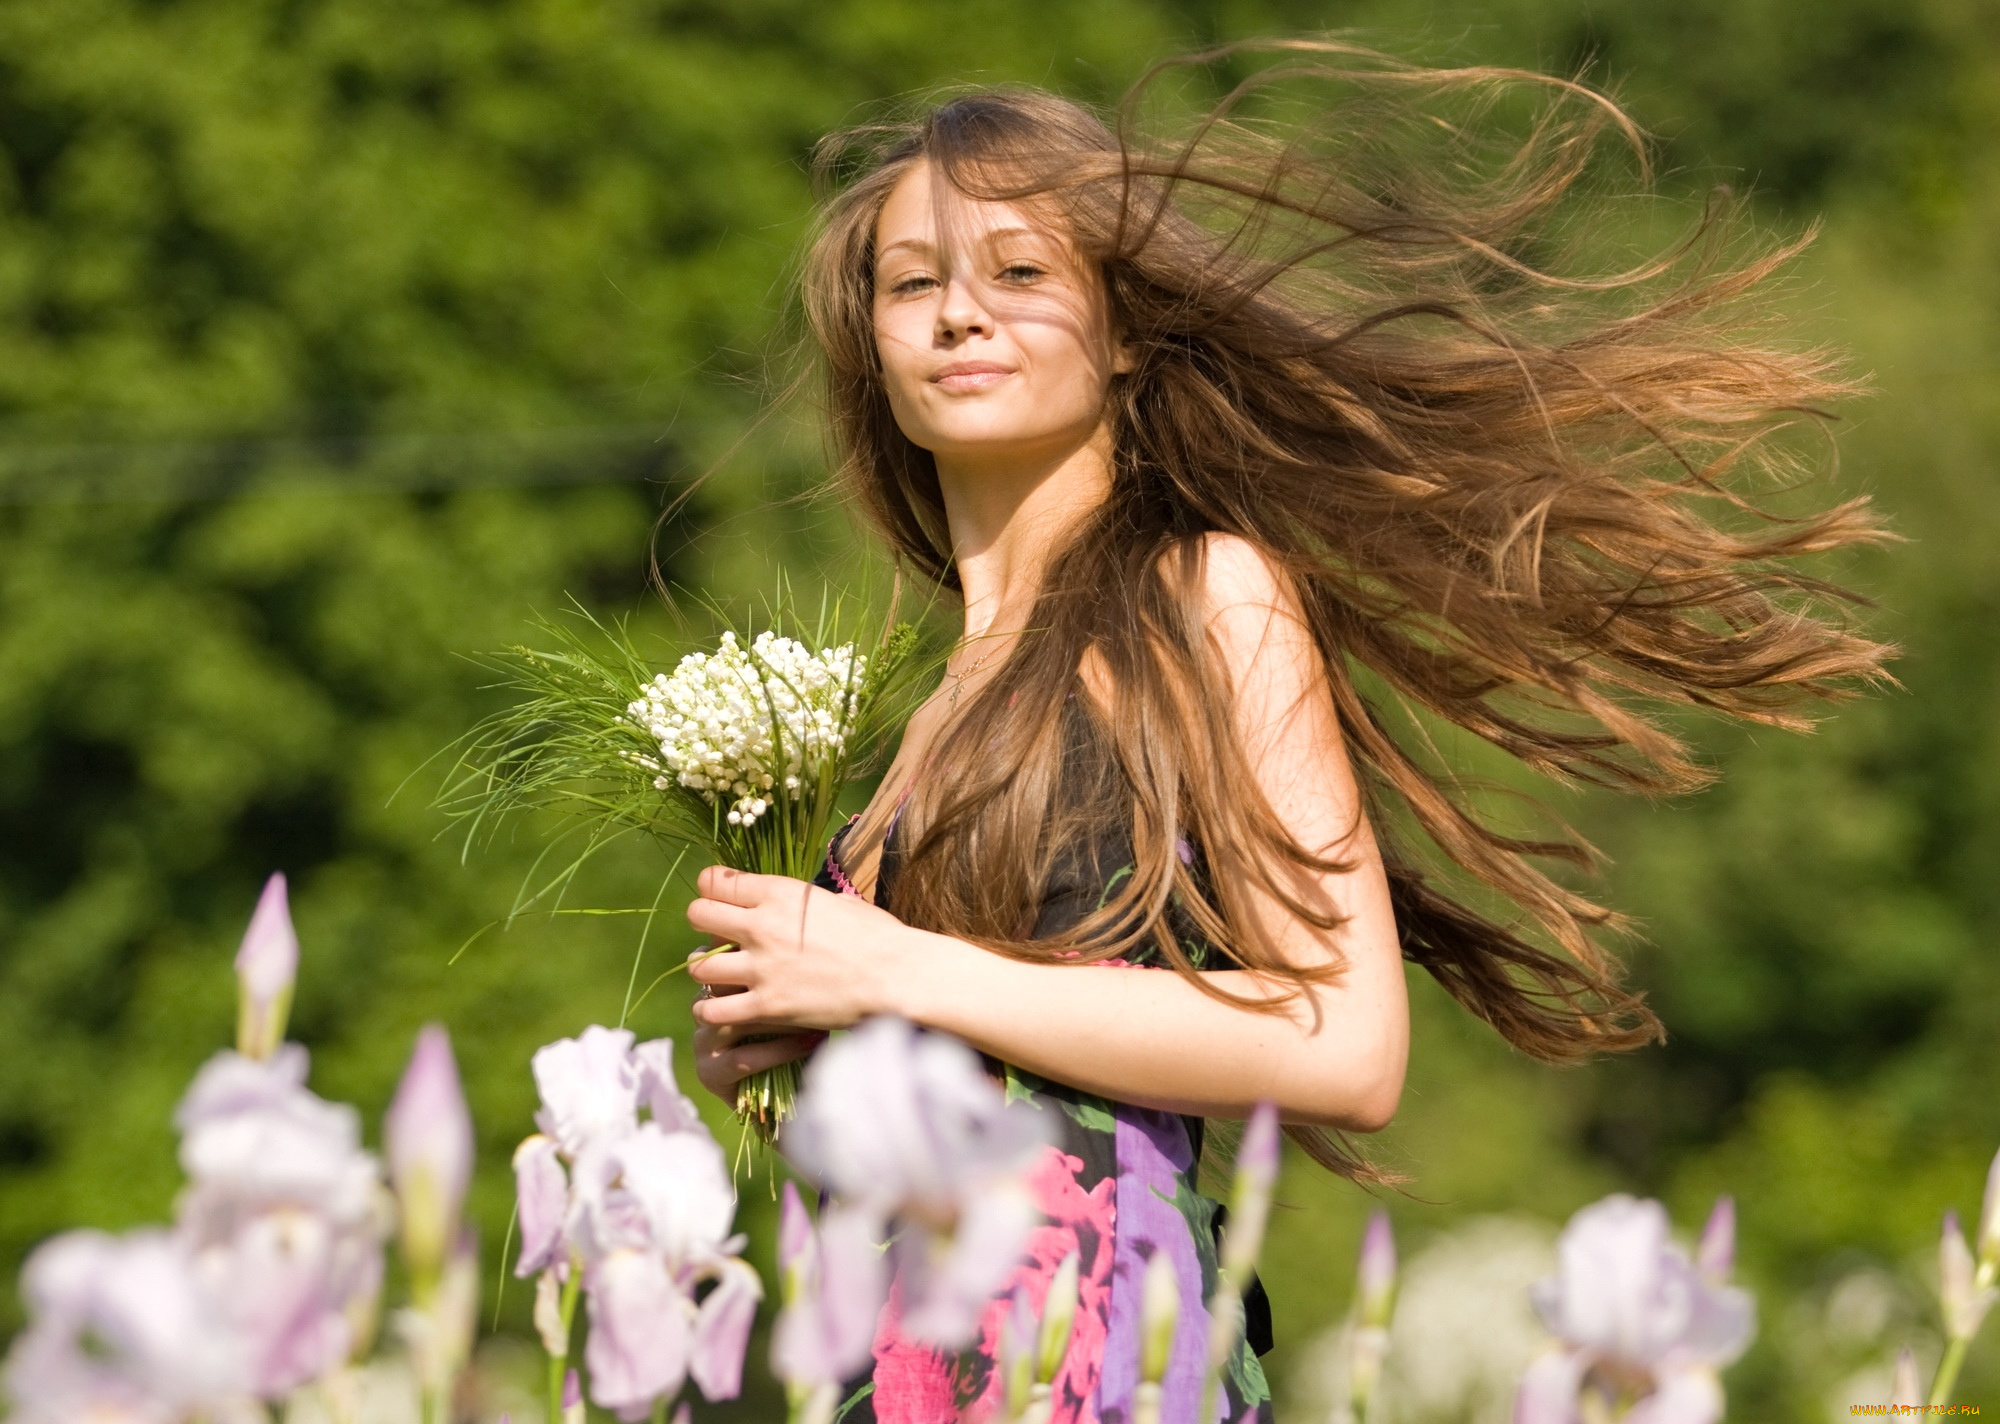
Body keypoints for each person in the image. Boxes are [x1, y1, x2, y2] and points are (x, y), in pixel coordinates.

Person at [680, 45, 1889, 1424]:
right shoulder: (926, 704)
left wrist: (899, 970)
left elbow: (1340, 1040)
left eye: (1019, 273)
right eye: (913, 284)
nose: (960, 315)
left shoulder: (1204, 595)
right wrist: (801, 1043)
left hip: (1101, 1364)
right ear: (873, 344)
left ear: (1125, 325)